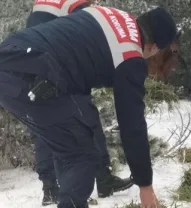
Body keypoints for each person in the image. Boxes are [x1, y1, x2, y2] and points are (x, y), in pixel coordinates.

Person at [0, 3, 177, 208]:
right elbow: (132, 125)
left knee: (70, 140)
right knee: (80, 154)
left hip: (10, 56)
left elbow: (74, 47)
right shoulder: (131, 55)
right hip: (35, 77)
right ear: (154, 46)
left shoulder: (109, 13)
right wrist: (145, 184)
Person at [24, 1, 134, 206]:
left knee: (43, 127)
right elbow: (95, 25)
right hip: (61, 67)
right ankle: (103, 178)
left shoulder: (44, 4)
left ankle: (49, 188)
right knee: (87, 120)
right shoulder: (76, 3)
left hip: (35, 59)